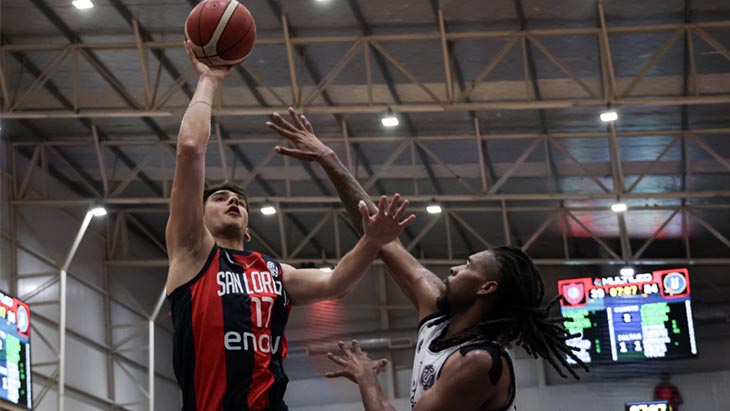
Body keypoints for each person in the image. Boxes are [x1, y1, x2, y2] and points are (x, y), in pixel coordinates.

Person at [266, 108, 588, 411]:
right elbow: (381, 238)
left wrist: (367, 379)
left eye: (467, 266)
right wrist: (329, 159)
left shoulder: (479, 361)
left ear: (486, 288)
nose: (454, 268)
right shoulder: (437, 312)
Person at [165, 43, 416, 411]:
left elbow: (336, 283)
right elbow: (190, 149)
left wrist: (372, 240)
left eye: (240, 202)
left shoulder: (273, 272)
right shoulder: (191, 254)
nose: (233, 202)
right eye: (219, 198)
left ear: (248, 230)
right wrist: (208, 79)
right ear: (197, 219)